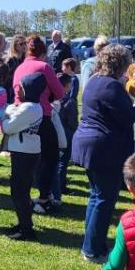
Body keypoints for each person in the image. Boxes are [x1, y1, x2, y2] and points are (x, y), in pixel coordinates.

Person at [72, 44, 135, 262]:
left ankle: (91, 244)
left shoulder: (94, 81)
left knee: (96, 196)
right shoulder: (112, 86)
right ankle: (93, 249)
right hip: (103, 147)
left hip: (89, 144)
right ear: (123, 65)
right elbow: (125, 116)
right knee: (104, 199)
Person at [13, 36, 66, 216]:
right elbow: (59, 93)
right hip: (41, 116)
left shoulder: (19, 67)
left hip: (21, 116)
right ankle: (44, 197)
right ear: (43, 53)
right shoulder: (44, 67)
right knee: (49, 158)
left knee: (27, 161)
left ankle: (26, 198)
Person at [3, 74, 46, 241]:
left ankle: (26, 229)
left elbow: (8, 127)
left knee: (19, 191)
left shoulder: (29, 108)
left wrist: (7, 115)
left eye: (20, 87)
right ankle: (23, 223)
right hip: (27, 151)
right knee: (22, 190)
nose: (17, 90)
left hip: (24, 153)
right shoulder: (33, 106)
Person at [53, 57, 80, 206]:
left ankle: (58, 185)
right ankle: (61, 186)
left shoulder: (54, 101)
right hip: (67, 134)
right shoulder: (69, 103)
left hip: (57, 133)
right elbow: (73, 122)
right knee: (63, 162)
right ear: (67, 86)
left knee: (57, 161)